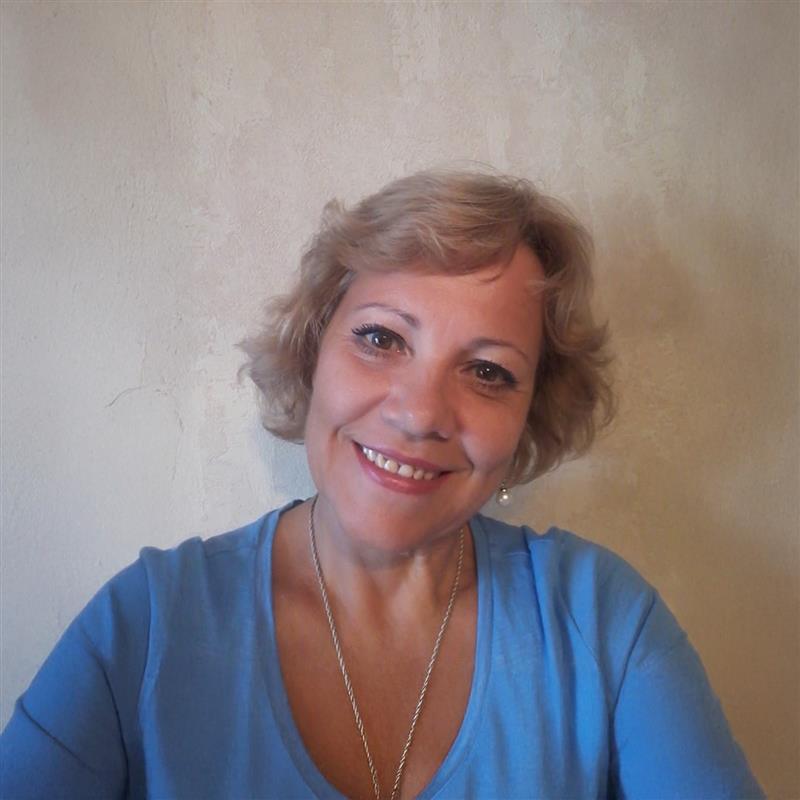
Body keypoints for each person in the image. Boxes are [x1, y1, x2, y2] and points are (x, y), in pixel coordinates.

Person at [1, 170, 763, 800]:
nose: (420, 413)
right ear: (314, 349)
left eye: (487, 371)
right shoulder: (143, 630)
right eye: (381, 337)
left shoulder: (607, 628)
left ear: (530, 416)